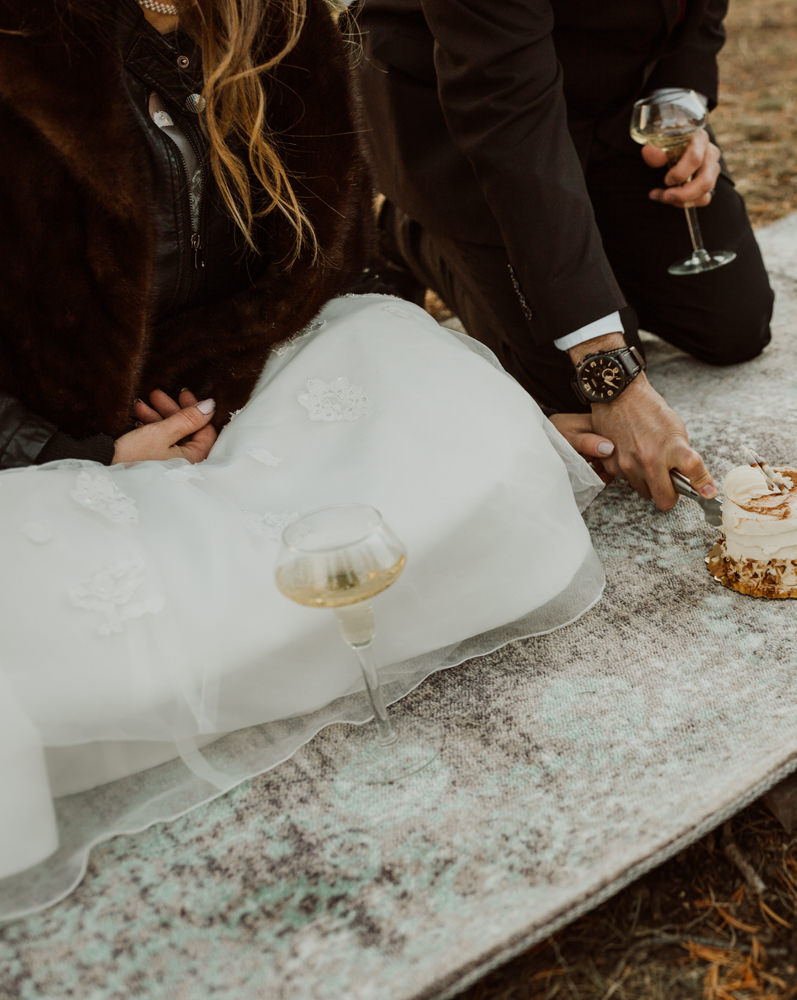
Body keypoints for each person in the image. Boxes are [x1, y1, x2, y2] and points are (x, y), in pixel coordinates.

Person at [0, 0, 608, 919]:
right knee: (74, 648)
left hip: (242, 375)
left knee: (465, 449)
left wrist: (233, 391)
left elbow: (324, 260)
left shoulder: (280, 23)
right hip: (58, 424)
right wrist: (81, 450)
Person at [353, 0, 775, 511]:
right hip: (472, 116)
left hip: (617, 107)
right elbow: (511, 121)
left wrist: (677, 101)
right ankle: (410, 232)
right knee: (575, 394)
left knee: (733, 323)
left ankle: (583, 244)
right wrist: (609, 373)